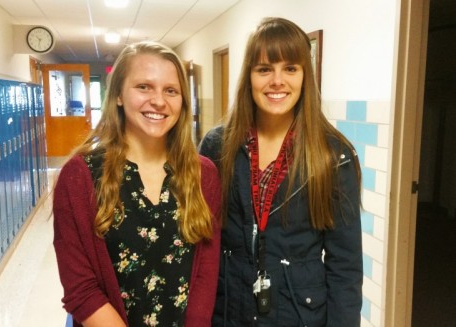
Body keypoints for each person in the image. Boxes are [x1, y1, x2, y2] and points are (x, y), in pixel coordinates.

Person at [199, 17, 363, 326]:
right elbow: (200, 242)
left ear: (305, 76)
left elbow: (345, 267)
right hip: (228, 311)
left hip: (298, 315)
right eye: (264, 69)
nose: (277, 81)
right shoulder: (217, 146)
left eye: (290, 68)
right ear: (249, 76)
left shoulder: (332, 155)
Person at [53, 41, 221, 327]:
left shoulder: (203, 175)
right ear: (118, 94)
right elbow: (81, 289)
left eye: (171, 90)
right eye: (144, 86)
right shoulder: (79, 176)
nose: (158, 100)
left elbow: (205, 273)